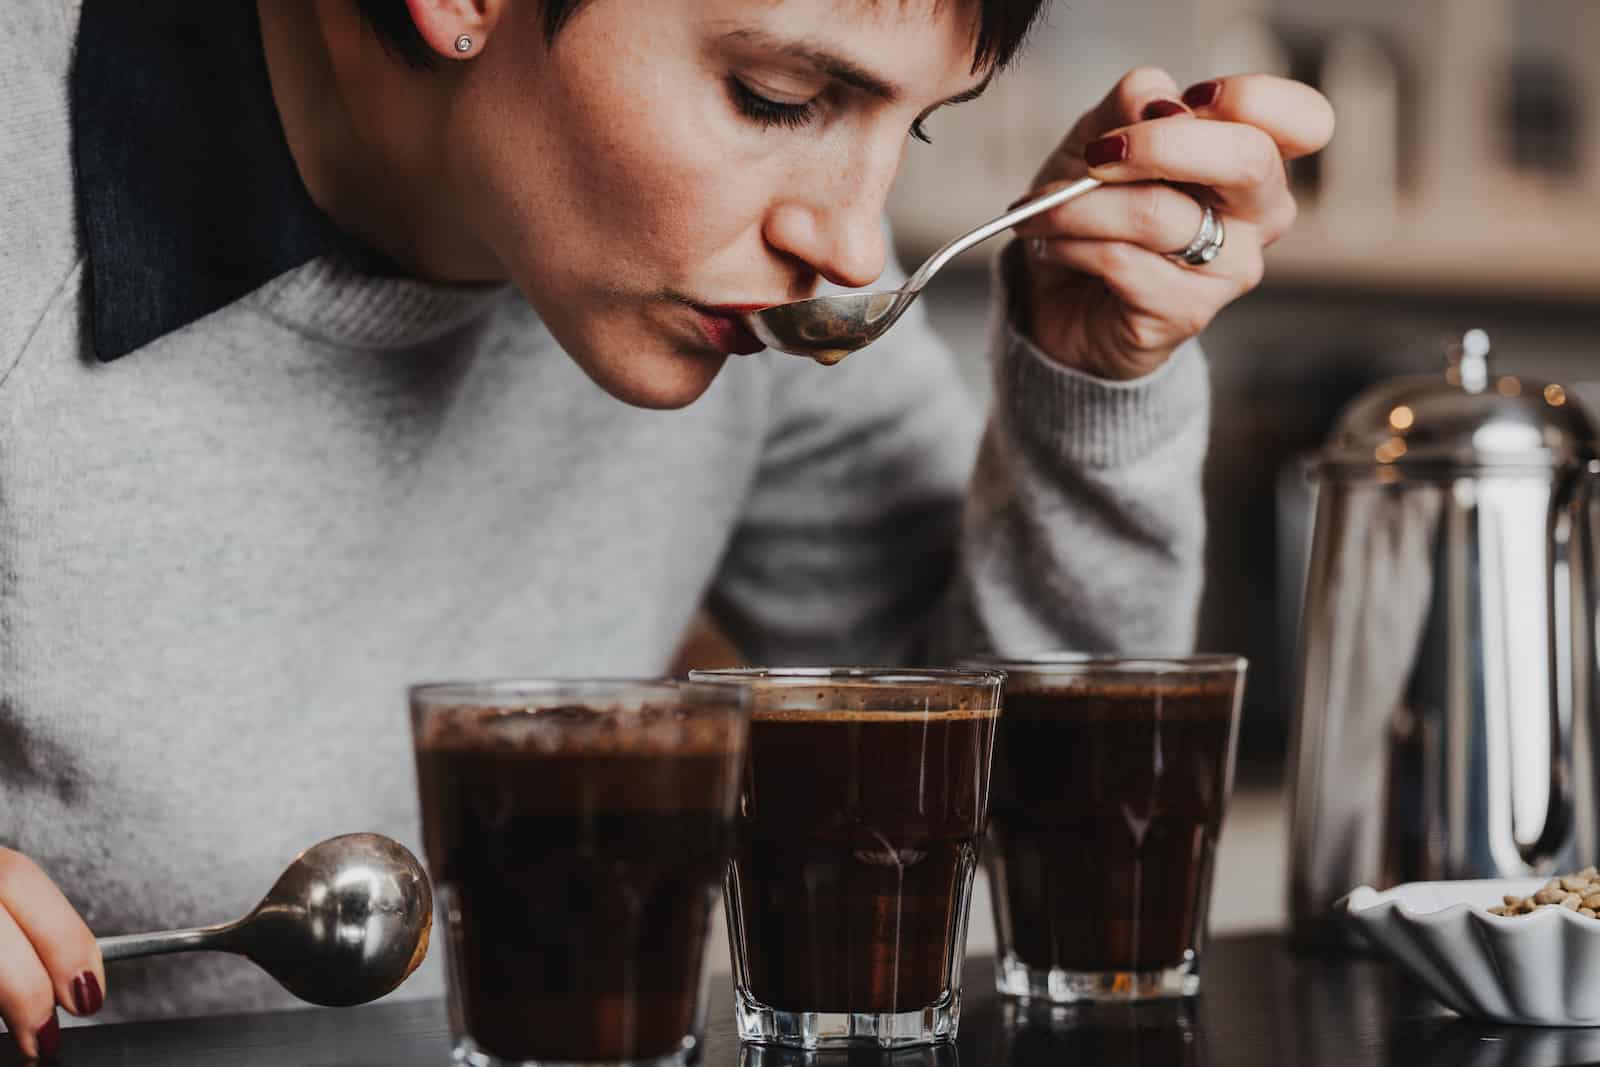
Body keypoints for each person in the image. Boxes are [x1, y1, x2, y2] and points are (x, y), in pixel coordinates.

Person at [0, 0, 1332, 1055]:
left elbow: (1001, 823)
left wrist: (1088, 383)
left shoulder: (750, 309)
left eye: (913, 130)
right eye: (780, 98)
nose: (852, 246)